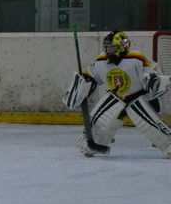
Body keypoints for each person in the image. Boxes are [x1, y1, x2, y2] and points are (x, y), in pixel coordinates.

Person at [63, 30, 171, 158]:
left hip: (140, 96)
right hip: (117, 97)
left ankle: (168, 144)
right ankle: (92, 143)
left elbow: (152, 72)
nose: (109, 50)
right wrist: (82, 85)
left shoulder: (136, 57)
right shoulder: (101, 61)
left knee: (149, 124)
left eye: (112, 47)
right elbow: (89, 76)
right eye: (107, 47)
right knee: (100, 123)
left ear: (123, 46)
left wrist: (153, 79)